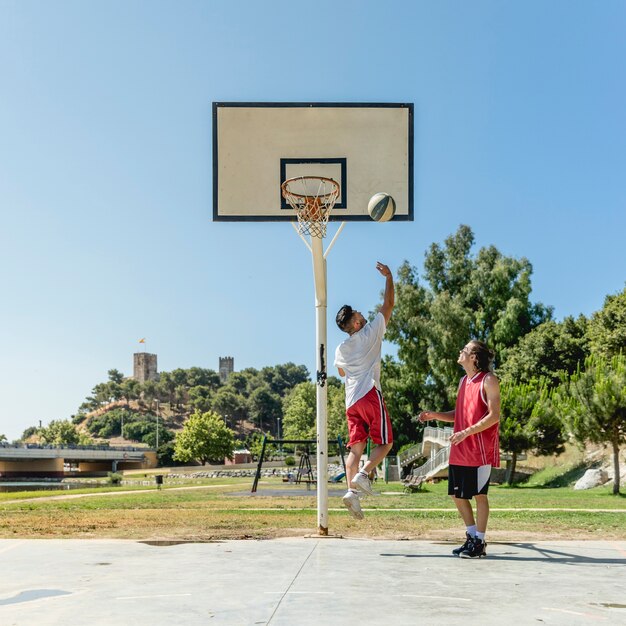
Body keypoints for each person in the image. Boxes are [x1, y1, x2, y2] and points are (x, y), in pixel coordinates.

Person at [418, 340, 500, 558]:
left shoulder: (489, 380)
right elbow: (459, 415)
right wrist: (435, 415)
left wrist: (467, 432)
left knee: (479, 495)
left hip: (479, 450)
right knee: (457, 495)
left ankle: (480, 542)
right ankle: (471, 537)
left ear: (474, 357)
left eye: (464, 350)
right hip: (460, 448)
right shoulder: (464, 381)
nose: (460, 351)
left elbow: (494, 416)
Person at [334, 261, 394, 520]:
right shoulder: (370, 332)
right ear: (356, 324)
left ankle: (351, 493)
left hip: (351, 402)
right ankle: (363, 474)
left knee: (354, 451)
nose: (362, 314)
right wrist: (389, 277)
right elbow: (388, 305)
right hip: (369, 393)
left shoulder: (341, 348)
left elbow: (342, 373)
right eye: (358, 314)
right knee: (386, 443)